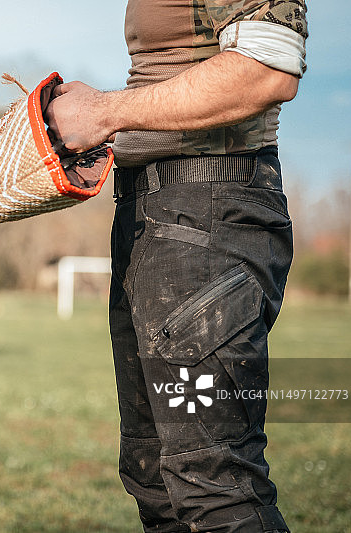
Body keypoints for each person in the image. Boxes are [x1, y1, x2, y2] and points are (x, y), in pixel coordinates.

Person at [45, 1, 307, 532]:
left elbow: (266, 67)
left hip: (205, 217)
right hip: (153, 213)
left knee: (213, 483)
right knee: (155, 479)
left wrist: (104, 112)